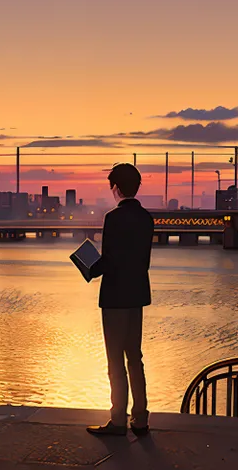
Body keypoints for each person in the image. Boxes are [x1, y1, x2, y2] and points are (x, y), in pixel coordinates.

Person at [86, 162, 154, 437]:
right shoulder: (146, 218)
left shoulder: (113, 218)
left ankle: (117, 419)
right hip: (136, 294)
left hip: (114, 297)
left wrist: (90, 266)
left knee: (115, 360)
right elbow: (140, 261)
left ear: (115, 187)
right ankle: (140, 418)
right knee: (134, 357)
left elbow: (110, 261)